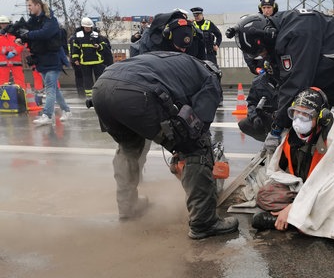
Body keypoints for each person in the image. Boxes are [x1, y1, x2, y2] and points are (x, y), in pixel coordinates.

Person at [227, 11, 334, 223]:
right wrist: (271, 119)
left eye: (262, 51)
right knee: (305, 121)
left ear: (268, 37)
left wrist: (277, 127)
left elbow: (296, 83)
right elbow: (280, 85)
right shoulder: (277, 40)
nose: (263, 56)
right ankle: (314, 183)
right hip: (327, 68)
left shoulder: (298, 33)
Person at [91, 51, 238, 239]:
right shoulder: (209, 77)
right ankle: (204, 222)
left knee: (129, 147)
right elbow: (199, 125)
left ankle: (128, 207)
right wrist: (184, 146)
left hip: (101, 89)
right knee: (196, 147)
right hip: (137, 93)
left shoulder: (177, 62)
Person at [251, 87, 334, 242]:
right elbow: (281, 169)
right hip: (303, 189)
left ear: (320, 116)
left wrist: (293, 207)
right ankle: (303, 219)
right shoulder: (292, 136)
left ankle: (294, 219)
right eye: (296, 113)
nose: (299, 120)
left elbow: (325, 177)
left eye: (306, 115)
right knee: (264, 194)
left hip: (328, 188)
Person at [16, 0, 71, 126]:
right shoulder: (33, 21)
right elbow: (30, 34)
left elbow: (45, 33)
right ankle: (67, 110)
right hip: (41, 59)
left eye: (30, 5)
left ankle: (47, 115)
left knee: (50, 88)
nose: (28, 8)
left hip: (53, 58)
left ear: (38, 5)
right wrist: (22, 39)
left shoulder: (50, 20)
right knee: (54, 90)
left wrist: (27, 35)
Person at [71, 17, 108, 98]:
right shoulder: (78, 36)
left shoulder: (96, 35)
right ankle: (89, 96)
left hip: (97, 61)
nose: (88, 28)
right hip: (85, 62)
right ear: (83, 27)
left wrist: (98, 46)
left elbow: (104, 46)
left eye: (89, 27)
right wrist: (75, 59)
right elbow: (75, 49)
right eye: (86, 27)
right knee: (87, 80)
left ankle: (100, 94)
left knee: (100, 78)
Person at [237, 73, 279, 142]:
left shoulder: (290, 78)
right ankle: (268, 142)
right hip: (268, 118)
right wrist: (255, 117)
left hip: (285, 117)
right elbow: (252, 103)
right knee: (244, 124)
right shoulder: (258, 81)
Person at [0, 15, 26, 87]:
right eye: (2, 24)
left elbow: (20, 45)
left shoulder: (15, 34)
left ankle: (22, 97)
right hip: (3, 64)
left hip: (16, 62)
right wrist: (6, 53)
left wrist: (14, 52)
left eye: (5, 23)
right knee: (2, 83)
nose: (3, 25)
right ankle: (2, 97)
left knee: (20, 82)